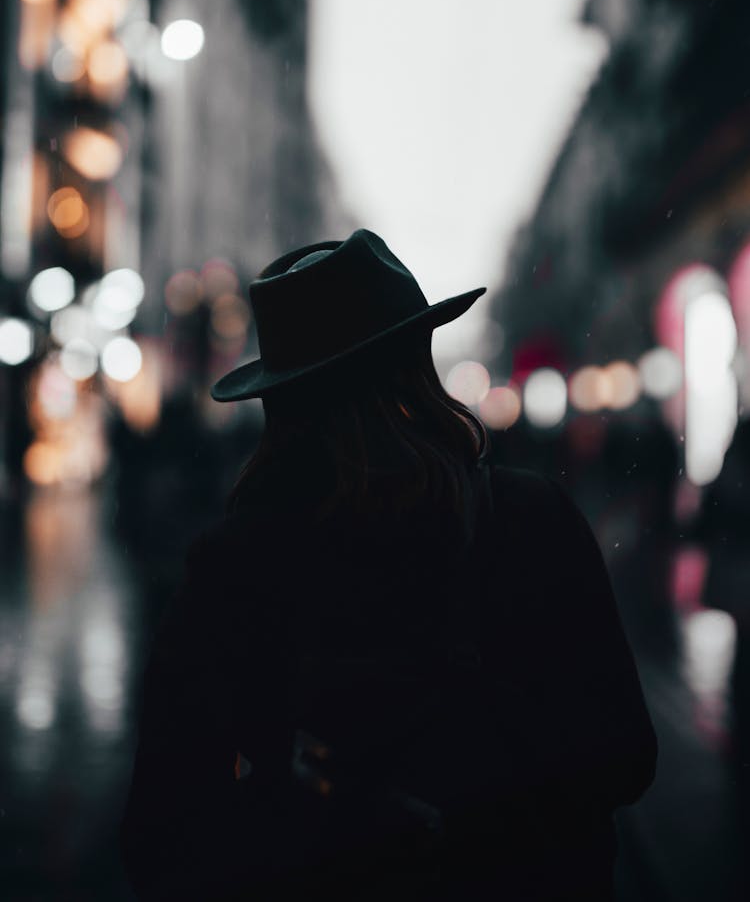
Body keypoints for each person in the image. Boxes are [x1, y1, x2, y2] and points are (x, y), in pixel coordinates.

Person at [121, 228, 657, 901]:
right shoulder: (532, 521)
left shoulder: (235, 568)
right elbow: (625, 755)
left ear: (280, 400)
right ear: (418, 367)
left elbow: (162, 835)